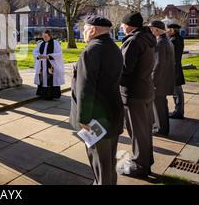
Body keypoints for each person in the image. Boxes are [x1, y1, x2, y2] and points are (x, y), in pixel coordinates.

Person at [70, 15, 124, 185]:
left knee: (99, 162)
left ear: (92, 30)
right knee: (108, 161)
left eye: (85, 29)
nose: (83, 32)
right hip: (112, 111)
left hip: (96, 117)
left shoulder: (92, 50)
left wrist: (84, 118)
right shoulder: (114, 47)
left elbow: (85, 88)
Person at [117, 12, 156, 178]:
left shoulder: (133, 41)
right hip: (145, 90)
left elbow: (124, 70)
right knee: (144, 131)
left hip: (134, 93)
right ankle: (146, 162)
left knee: (137, 132)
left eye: (122, 24)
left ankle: (139, 166)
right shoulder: (147, 38)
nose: (121, 27)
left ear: (129, 25)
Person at [148, 21, 175, 136]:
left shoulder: (160, 42)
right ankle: (162, 128)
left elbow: (158, 65)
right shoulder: (166, 41)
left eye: (151, 30)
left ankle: (160, 129)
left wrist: (152, 82)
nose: (150, 32)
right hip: (164, 80)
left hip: (159, 81)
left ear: (157, 30)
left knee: (159, 106)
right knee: (161, 106)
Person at [32, 29, 65, 100]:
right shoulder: (41, 44)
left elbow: (59, 54)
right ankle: (42, 94)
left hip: (50, 65)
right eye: (43, 36)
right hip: (42, 65)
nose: (44, 38)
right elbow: (35, 52)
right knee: (42, 79)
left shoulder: (55, 43)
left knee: (50, 79)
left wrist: (49, 56)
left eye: (46, 36)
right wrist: (38, 56)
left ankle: (51, 95)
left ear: (50, 36)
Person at [166, 23, 186, 119]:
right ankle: (179, 111)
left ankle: (178, 112)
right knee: (178, 91)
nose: (166, 31)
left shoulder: (172, 40)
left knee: (176, 92)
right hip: (177, 67)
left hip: (173, 69)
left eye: (168, 29)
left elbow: (170, 56)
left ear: (172, 30)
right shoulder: (179, 38)